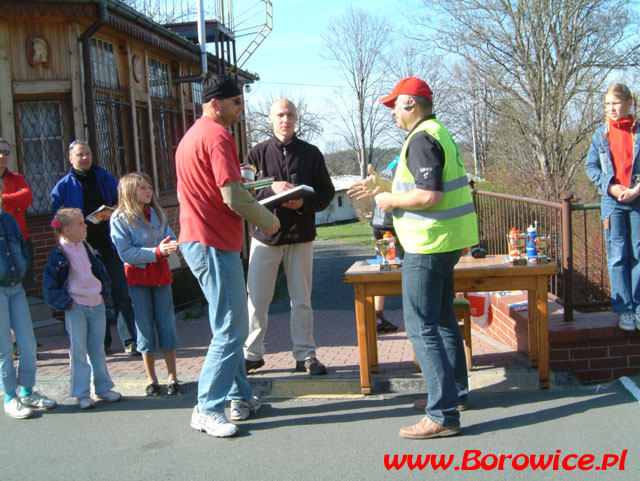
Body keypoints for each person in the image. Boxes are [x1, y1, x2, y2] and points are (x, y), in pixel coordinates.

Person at [348, 77, 478, 439]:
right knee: (442, 318)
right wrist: (386, 188)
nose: (392, 113)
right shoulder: (438, 132)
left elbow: (429, 196)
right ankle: (455, 394)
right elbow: (424, 189)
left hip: (427, 245)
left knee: (421, 326)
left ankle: (442, 414)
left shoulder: (421, 139)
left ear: (411, 105)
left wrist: (388, 201)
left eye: (394, 106)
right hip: (445, 242)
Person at [176, 74, 280, 438]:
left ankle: (240, 395)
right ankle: (206, 407)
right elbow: (232, 197)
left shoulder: (191, 136)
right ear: (215, 103)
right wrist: (270, 219)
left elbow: (222, 189)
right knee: (232, 328)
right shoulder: (218, 136)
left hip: (199, 240)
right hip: (212, 243)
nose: (241, 108)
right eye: (237, 101)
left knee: (229, 326)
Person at [243, 99, 335, 375]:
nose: (286, 119)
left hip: (300, 236)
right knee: (257, 300)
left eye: (290, 115)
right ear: (270, 118)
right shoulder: (256, 154)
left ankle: (305, 355)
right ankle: (251, 355)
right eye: (280, 115)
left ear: (297, 119)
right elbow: (244, 192)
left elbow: (326, 192)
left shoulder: (311, 153)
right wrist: (271, 190)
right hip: (264, 236)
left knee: (302, 300)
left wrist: (304, 204)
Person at [51, 140, 138, 355]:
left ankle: (130, 341)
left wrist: (112, 211)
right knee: (96, 297)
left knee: (120, 292)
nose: (85, 158)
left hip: (110, 244)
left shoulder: (104, 177)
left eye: (88, 153)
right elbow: (56, 220)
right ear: (70, 159)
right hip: (84, 250)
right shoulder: (64, 186)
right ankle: (103, 343)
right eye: (80, 154)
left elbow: (122, 200)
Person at [42, 208, 121, 409]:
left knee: (98, 349)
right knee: (78, 350)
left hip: (96, 304)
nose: (85, 226)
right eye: (80, 224)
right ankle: (81, 393)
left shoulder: (86, 247)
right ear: (67, 230)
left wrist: (103, 294)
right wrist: (68, 303)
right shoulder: (59, 254)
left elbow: (98, 272)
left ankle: (103, 388)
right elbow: (49, 287)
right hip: (77, 307)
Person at [110, 173, 181, 396]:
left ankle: (173, 376)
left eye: (149, 187)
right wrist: (156, 252)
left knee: (167, 324)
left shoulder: (158, 213)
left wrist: (172, 245)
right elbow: (125, 252)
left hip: (161, 276)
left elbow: (168, 235)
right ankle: (151, 379)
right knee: (144, 327)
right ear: (130, 192)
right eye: (142, 188)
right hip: (139, 278)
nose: (148, 191)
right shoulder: (120, 218)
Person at [0, 179, 57, 419]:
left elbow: (22, 249)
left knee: (28, 342)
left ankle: (27, 390)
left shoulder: (8, 219)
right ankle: (10, 397)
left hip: (15, 288)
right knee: (3, 348)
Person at [585, 83, 640, 331]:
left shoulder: (638, 132)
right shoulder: (601, 135)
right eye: (607, 104)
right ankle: (624, 310)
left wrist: (636, 189)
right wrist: (611, 186)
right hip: (612, 202)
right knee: (617, 255)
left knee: (638, 254)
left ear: (629, 103)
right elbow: (592, 167)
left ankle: (638, 307)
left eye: (615, 103)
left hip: (638, 199)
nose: (611, 108)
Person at [370, 156, 402, 333]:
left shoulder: (389, 165)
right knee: (402, 268)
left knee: (385, 266)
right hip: (391, 223)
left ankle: (378, 315)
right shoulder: (405, 164)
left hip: (379, 222)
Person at [0, 138, 35, 290]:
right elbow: (19, 202)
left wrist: (2, 199)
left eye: (6, 152)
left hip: (19, 238)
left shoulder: (17, 178)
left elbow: (27, 199)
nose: (2, 156)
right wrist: (14, 205)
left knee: (24, 285)